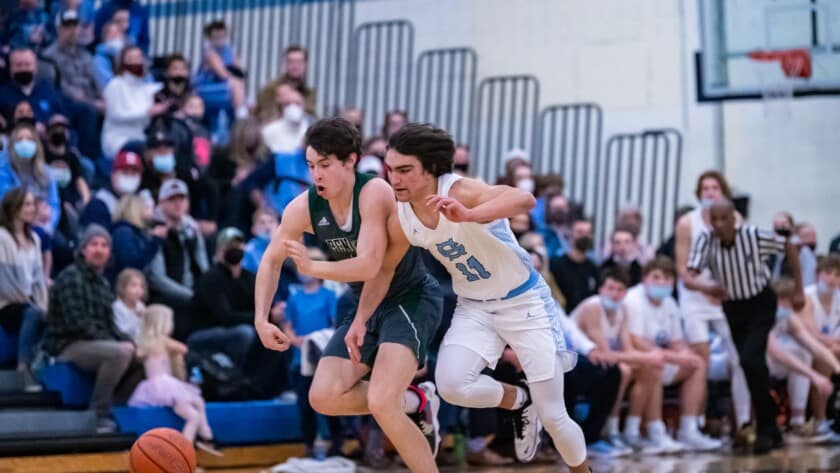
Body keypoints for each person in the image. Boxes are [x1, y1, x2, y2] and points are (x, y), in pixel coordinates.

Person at [289, 123, 591, 471]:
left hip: (524, 302)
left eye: (404, 170)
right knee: (451, 387)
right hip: (474, 308)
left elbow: (524, 199)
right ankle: (520, 401)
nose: (394, 179)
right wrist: (360, 320)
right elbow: (383, 271)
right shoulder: (403, 215)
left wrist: (470, 215)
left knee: (554, 416)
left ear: (431, 170)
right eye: (390, 169)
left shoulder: (460, 190)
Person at [254, 118, 443, 473]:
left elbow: (371, 265)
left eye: (325, 165)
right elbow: (271, 260)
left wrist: (313, 268)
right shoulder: (303, 207)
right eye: (311, 166)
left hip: (409, 298)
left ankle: (403, 407)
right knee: (323, 397)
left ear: (350, 161)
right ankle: (416, 400)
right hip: (365, 306)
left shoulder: (375, 193)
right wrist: (260, 318)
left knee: (382, 401)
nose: (317, 175)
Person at [684, 198, 806, 453]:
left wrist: (798, 289)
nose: (718, 224)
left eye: (723, 219)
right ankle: (770, 427)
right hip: (733, 307)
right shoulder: (705, 240)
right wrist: (706, 286)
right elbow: (689, 276)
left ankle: (765, 427)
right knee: (751, 365)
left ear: (733, 219)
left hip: (761, 302)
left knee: (750, 359)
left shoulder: (754, 235)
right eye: (713, 219)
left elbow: (791, 246)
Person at [674, 171, 752, 436]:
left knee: (740, 358)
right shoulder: (687, 223)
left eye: (714, 187)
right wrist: (705, 286)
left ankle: (743, 421)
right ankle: (695, 425)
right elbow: (682, 271)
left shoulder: (737, 219)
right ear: (699, 193)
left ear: (723, 192)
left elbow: (744, 261)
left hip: (726, 296)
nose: (709, 192)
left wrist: (727, 288)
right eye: (704, 188)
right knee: (701, 360)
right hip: (695, 297)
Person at [41, 225, 134, 432]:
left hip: (94, 342)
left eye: (104, 245)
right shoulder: (71, 277)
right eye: (94, 244)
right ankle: (97, 414)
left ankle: (116, 409)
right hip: (67, 344)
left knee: (140, 355)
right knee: (118, 353)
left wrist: (131, 342)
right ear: (83, 249)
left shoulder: (102, 282)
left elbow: (111, 324)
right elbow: (77, 323)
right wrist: (116, 343)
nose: (99, 249)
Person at [624, 256, 721, 452]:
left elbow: (676, 341)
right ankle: (654, 432)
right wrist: (676, 356)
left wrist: (685, 354)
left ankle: (689, 429)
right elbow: (636, 342)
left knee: (697, 363)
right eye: (656, 277)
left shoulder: (670, 303)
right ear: (644, 278)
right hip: (635, 358)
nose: (661, 283)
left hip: (660, 355)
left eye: (667, 279)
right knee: (655, 363)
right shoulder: (633, 299)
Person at [572, 267, 667, 456]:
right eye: (610, 288)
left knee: (650, 369)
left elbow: (627, 350)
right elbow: (606, 354)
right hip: (575, 364)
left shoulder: (622, 309)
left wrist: (646, 359)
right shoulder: (592, 307)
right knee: (622, 370)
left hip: (600, 364)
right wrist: (647, 356)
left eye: (619, 290)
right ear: (601, 290)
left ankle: (632, 431)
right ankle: (610, 430)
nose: (614, 294)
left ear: (626, 292)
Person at [129, 304, 220, 454]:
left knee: (195, 410)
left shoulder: (145, 343)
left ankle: (204, 437)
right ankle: (194, 445)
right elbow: (184, 348)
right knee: (195, 411)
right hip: (165, 386)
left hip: (156, 386)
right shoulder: (163, 341)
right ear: (162, 323)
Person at [283, 247, 343, 458]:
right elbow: (287, 325)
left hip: (324, 357)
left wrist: (318, 341)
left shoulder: (329, 296)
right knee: (305, 405)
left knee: (330, 402)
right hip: (301, 358)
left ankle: (337, 442)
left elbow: (336, 324)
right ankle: (308, 444)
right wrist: (297, 341)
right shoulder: (294, 297)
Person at [766, 277, 840, 444]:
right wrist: (815, 376)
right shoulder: (762, 315)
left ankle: (798, 422)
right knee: (748, 366)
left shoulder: (788, 316)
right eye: (783, 299)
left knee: (803, 353)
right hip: (753, 362)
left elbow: (813, 344)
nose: (787, 304)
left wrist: (836, 367)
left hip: (775, 362)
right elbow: (775, 351)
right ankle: (746, 424)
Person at [187, 227, 256, 367]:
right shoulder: (211, 278)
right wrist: (261, 318)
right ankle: (233, 374)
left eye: (238, 245)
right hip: (205, 332)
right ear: (219, 250)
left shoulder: (249, 277)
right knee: (245, 333)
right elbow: (225, 317)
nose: (235, 249)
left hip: (235, 328)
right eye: (230, 246)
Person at [0, 187, 47, 390]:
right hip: (6, 302)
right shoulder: (2, 237)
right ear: (14, 207)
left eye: (32, 204)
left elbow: (39, 280)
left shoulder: (35, 239)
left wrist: (44, 305)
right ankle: (24, 369)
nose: (31, 208)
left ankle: (41, 367)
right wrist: (29, 302)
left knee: (43, 313)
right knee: (32, 313)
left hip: (29, 302)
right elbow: (4, 279)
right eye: (26, 204)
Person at [42, 9, 103, 159]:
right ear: (58, 29)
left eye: (75, 26)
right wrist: (93, 103)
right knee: (88, 111)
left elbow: (97, 80)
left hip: (90, 99)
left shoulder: (85, 54)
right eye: (67, 26)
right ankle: (88, 157)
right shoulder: (49, 55)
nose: (72, 31)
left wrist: (104, 98)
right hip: (66, 102)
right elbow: (62, 88)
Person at [146, 179, 208, 308]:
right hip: (168, 300)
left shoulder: (192, 228)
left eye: (182, 199)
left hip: (195, 294)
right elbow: (157, 279)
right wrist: (192, 296)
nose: (178, 204)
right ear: (161, 202)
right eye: (172, 199)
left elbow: (204, 267)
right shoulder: (154, 231)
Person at [101, 45, 165, 159]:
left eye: (139, 58)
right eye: (131, 58)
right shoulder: (115, 85)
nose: (136, 62)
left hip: (141, 138)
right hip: (118, 139)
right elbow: (116, 115)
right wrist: (147, 113)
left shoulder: (146, 89)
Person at [0, 123, 61, 231]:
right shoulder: (3, 169)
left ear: (36, 145)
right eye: (20, 139)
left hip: (43, 224)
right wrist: (33, 216)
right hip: (12, 224)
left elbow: (54, 204)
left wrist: (49, 226)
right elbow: (6, 202)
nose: (25, 142)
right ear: (12, 145)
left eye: (29, 139)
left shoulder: (46, 172)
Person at [194, 20, 247, 120]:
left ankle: (240, 114)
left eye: (222, 36)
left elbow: (239, 72)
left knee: (238, 84)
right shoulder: (210, 53)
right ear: (210, 38)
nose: (220, 40)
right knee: (235, 84)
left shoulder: (230, 50)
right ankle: (241, 115)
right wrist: (234, 74)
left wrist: (236, 72)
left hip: (225, 86)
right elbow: (223, 74)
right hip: (207, 87)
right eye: (216, 37)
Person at [79, 149, 145, 228]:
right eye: (125, 172)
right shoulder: (100, 202)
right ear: (113, 175)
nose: (129, 177)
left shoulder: (143, 201)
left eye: (134, 173)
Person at [0, 48, 66, 125]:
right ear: (11, 69)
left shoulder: (49, 90)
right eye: (18, 65)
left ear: (35, 67)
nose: (23, 68)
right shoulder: (2, 94)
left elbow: (62, 115)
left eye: (27, 64)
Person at [109, 193, 164, 279]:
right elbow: (133, 263)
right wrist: (155, 242)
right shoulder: (123, 232)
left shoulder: (133, 232)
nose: (149, 212)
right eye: (144, 207)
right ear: (134, 210)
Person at [550, 218, 599, 312]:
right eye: (580, 232)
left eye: (587, 232)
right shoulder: (556, 265)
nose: (584, 236)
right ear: (571, 234)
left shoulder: (594, 268)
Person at [256, 45, 316, 120]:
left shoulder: (308, 92)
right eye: (291, 61)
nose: (295, 66)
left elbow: (312, 118)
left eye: (299, 62)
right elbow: (267, 118)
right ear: (285, 64)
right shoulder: (271, 89)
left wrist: (300, 101)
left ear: (305, 64)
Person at [43, 115, 90, 209]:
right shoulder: (41, 155)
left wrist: (86, 199)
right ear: (47, 133)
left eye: (63, 129)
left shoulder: (72, 156)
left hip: (70, 199)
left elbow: (79, 180)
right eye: (55, 128)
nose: (59, 132)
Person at [261, 84, 310, 154]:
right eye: (287, 104)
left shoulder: (311, 131)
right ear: (281, 109)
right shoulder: (269, 131)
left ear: (304, 108)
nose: (293, 107)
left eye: (297, 104)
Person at [112, 268, 146, 342]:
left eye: (141, 286)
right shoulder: (117, 307)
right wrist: (137, 318)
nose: (138, 290)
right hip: (126, 343)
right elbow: (121, 331)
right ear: (123, 288)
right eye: (133, 286)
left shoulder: (140, 305)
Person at [242, 207, 277, 273]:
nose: (267, 227)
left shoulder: (285, 247)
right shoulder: (248, 251)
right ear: (253, 229)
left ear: (278, 226)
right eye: (262, 223)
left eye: (271, 222)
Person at [92, 20, 125, 87]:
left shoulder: (132, 55)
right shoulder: (98, 60)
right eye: (110, 32)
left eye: (117, 32)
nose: (114, 35)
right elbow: (108, 85)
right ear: (104, 37)